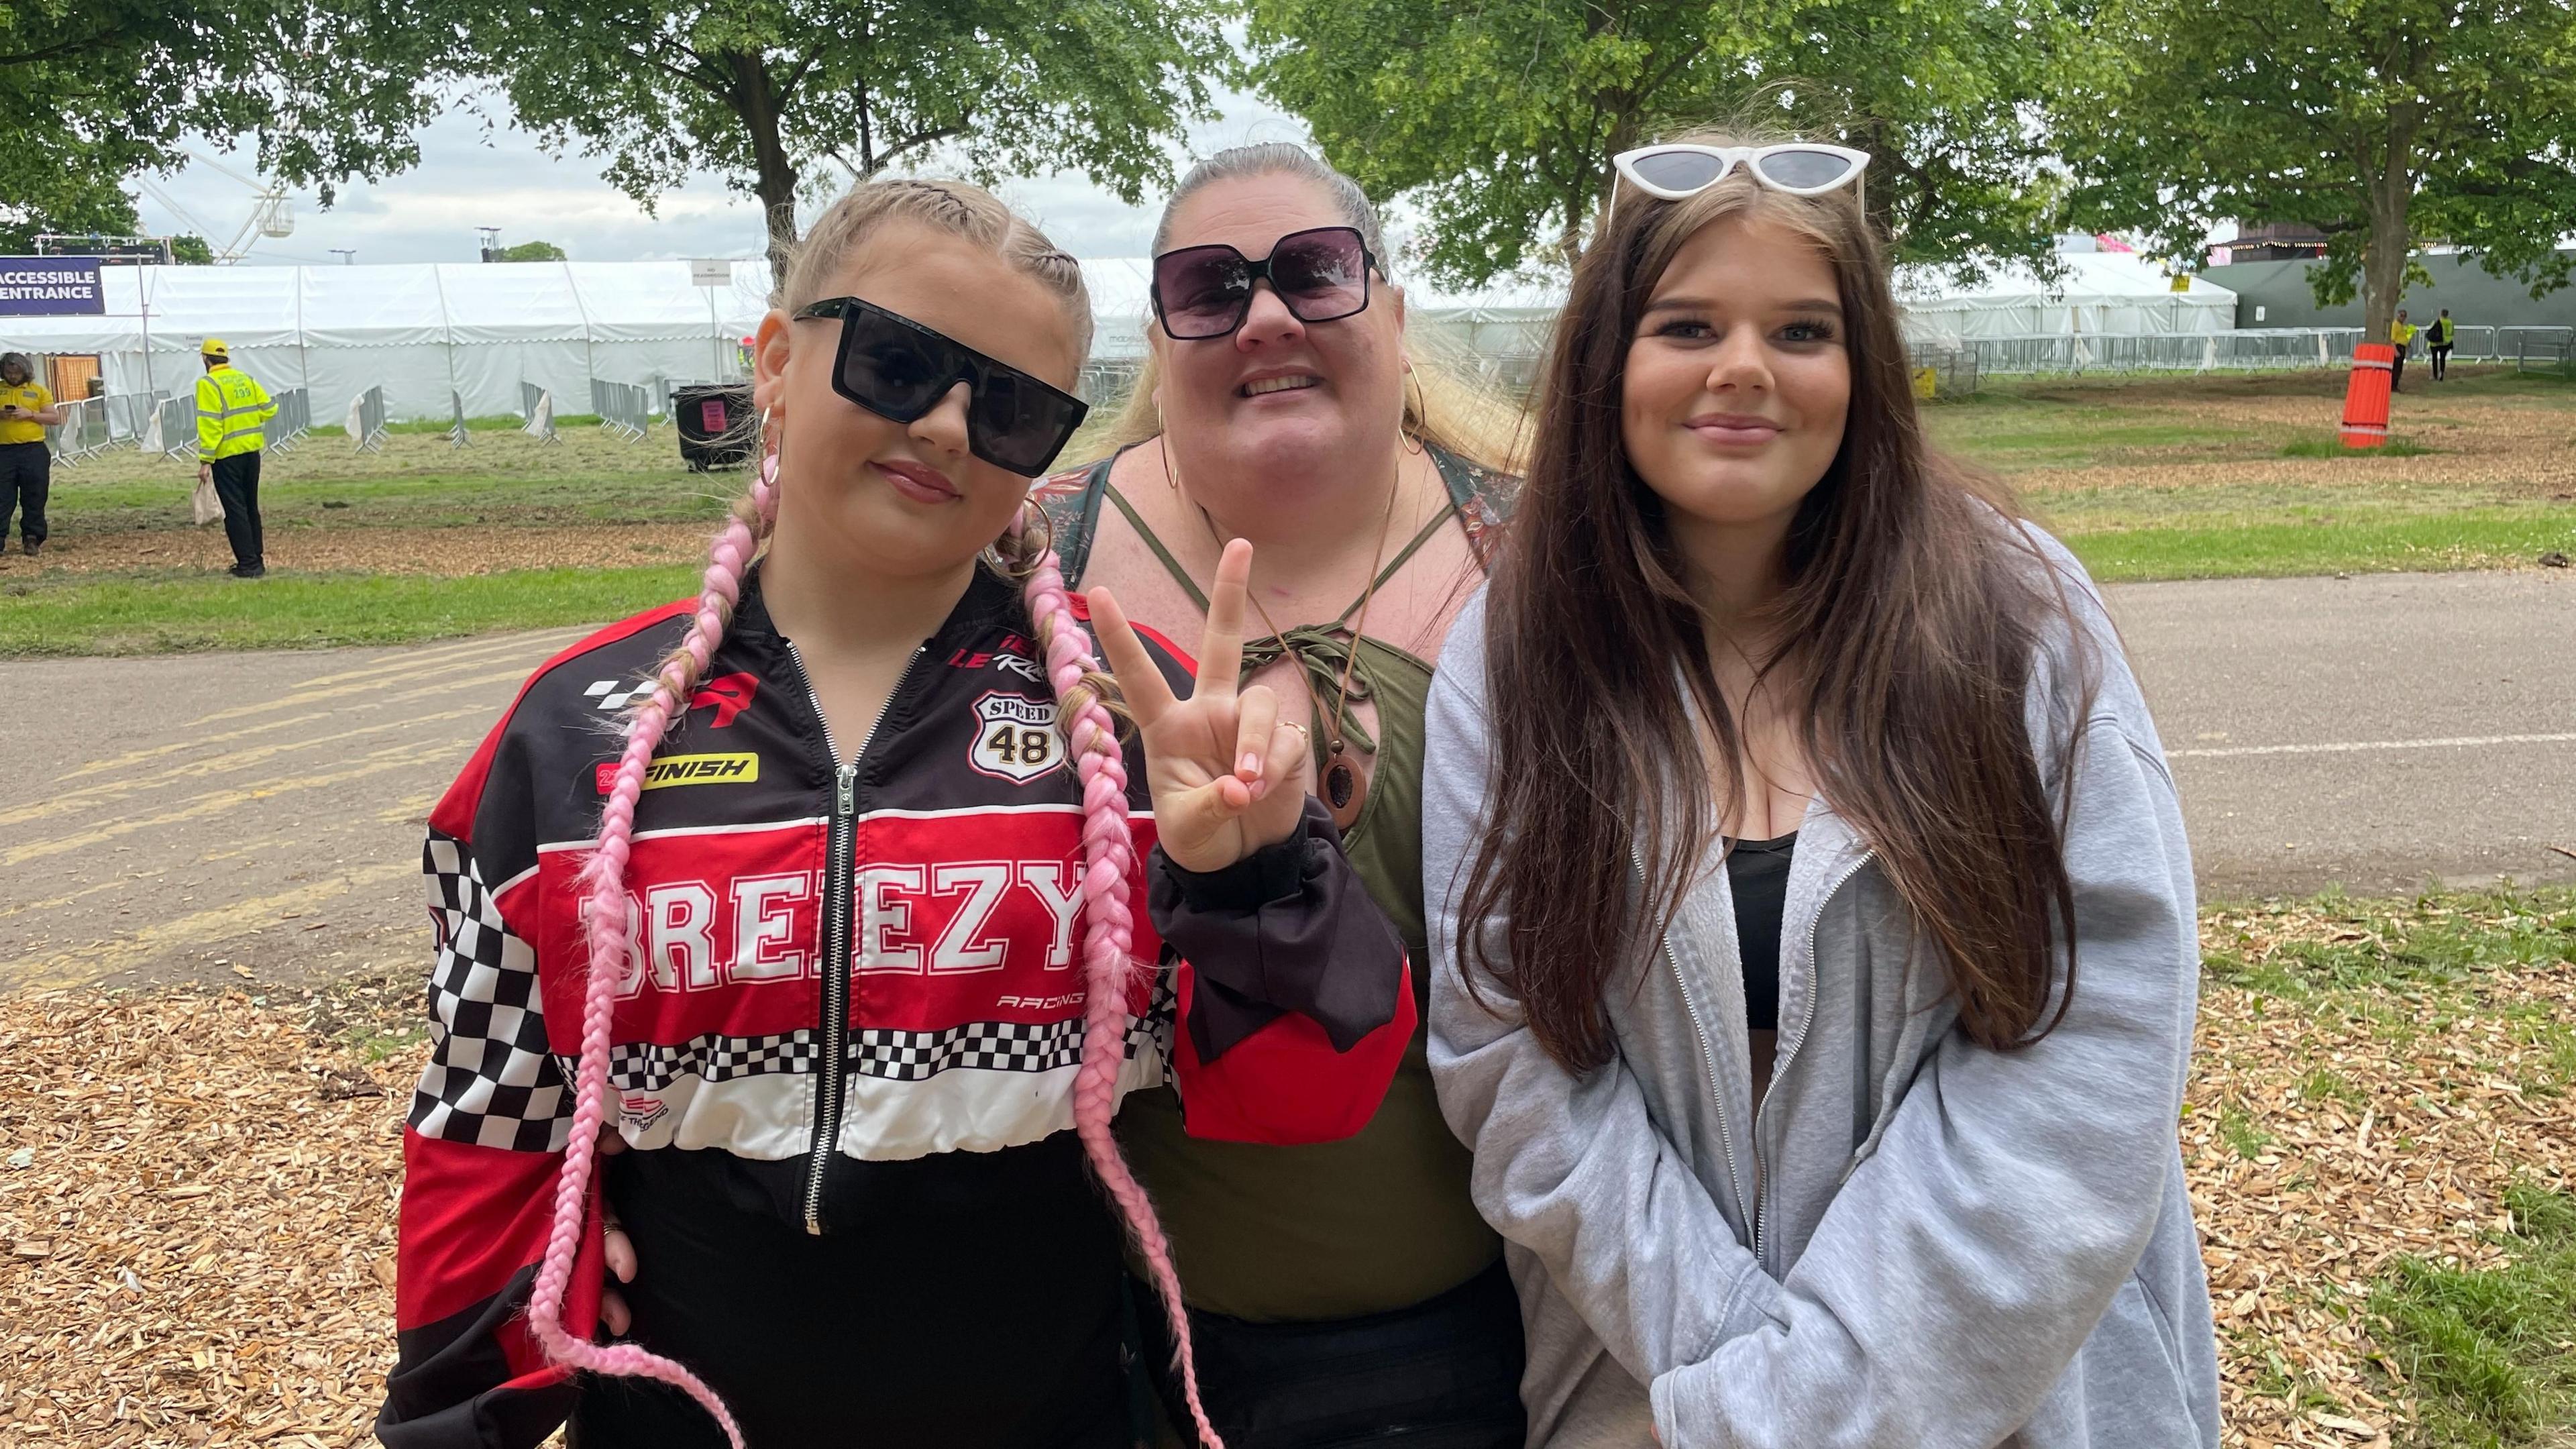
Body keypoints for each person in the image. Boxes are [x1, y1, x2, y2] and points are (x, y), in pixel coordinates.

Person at [376, 178, 1417, 1449]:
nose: (945, 425)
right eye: (898, 360)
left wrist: (1258, 877)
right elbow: (488, 1131)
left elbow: (1306, 1100)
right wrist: (461, 1416)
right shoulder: (564, 733)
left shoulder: (1142, 724)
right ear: (774, 357)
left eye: (1015, 408)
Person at [1422, 132, 2220, 1448]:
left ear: (1862, 375)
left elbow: (2095, 1049)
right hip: (1657, 1397)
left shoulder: (2011, 616)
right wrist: (1755, 1398)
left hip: (2008, 1400)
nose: (1743, 366)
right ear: (1608, 360)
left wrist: (1821, 1404)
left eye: (1801, 329)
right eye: (1687, 324)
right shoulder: (1515, 659)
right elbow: (1511, 1060)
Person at [1035, 143, 1533, 1447]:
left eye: (1315, 274)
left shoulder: (1547, 566)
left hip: (1511, 1342)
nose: (1264, 316)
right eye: (1209, 288)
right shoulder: (1029, 565)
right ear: (1159, 336)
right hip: (1128, 1360)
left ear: (1395, 310)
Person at [195, 338, 276, 578]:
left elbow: (211, 424)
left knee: (235, 509)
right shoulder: (246, 379)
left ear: (205, 359)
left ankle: (248, 564)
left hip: (226, 456)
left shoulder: (208, 384)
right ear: (227, 358)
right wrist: (249, 421)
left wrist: (205, 460)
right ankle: (257, 559)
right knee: (251, 506)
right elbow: (270, 408)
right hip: (252, 453)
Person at [0, 352, 62, 557]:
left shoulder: (38, 391)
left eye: (17, 372)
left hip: (33, 450)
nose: (13, 376)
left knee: (34, 495)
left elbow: (54, 418)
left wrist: (30, 415)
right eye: (9, 372)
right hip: (4, 451)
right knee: (3, 497)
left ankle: (32, 538)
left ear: (25, 370)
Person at [2389, 308, 2416, 392]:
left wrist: (2407, 346)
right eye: (2401, 315)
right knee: (2396, 368)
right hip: (2398, 348)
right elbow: (2392, 339)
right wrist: (2395, 350)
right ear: (2397, 315)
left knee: (2399, 368)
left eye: (2404, 316)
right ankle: (2393, 386)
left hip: (2402, 347)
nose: (2403, 318)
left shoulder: (2401, 326)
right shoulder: (2395, 325)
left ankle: (2395, 385)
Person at [2428, 307, 2455, 380]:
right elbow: (2452, 332)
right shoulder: (2450, 322)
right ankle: (2441, 374)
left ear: (2441, 314)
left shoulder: (2437, 321)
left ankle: (2435, 375)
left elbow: (2431, 330)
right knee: (2442, 359)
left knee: (2434, 359)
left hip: (2435, 343)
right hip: (2445, 343)